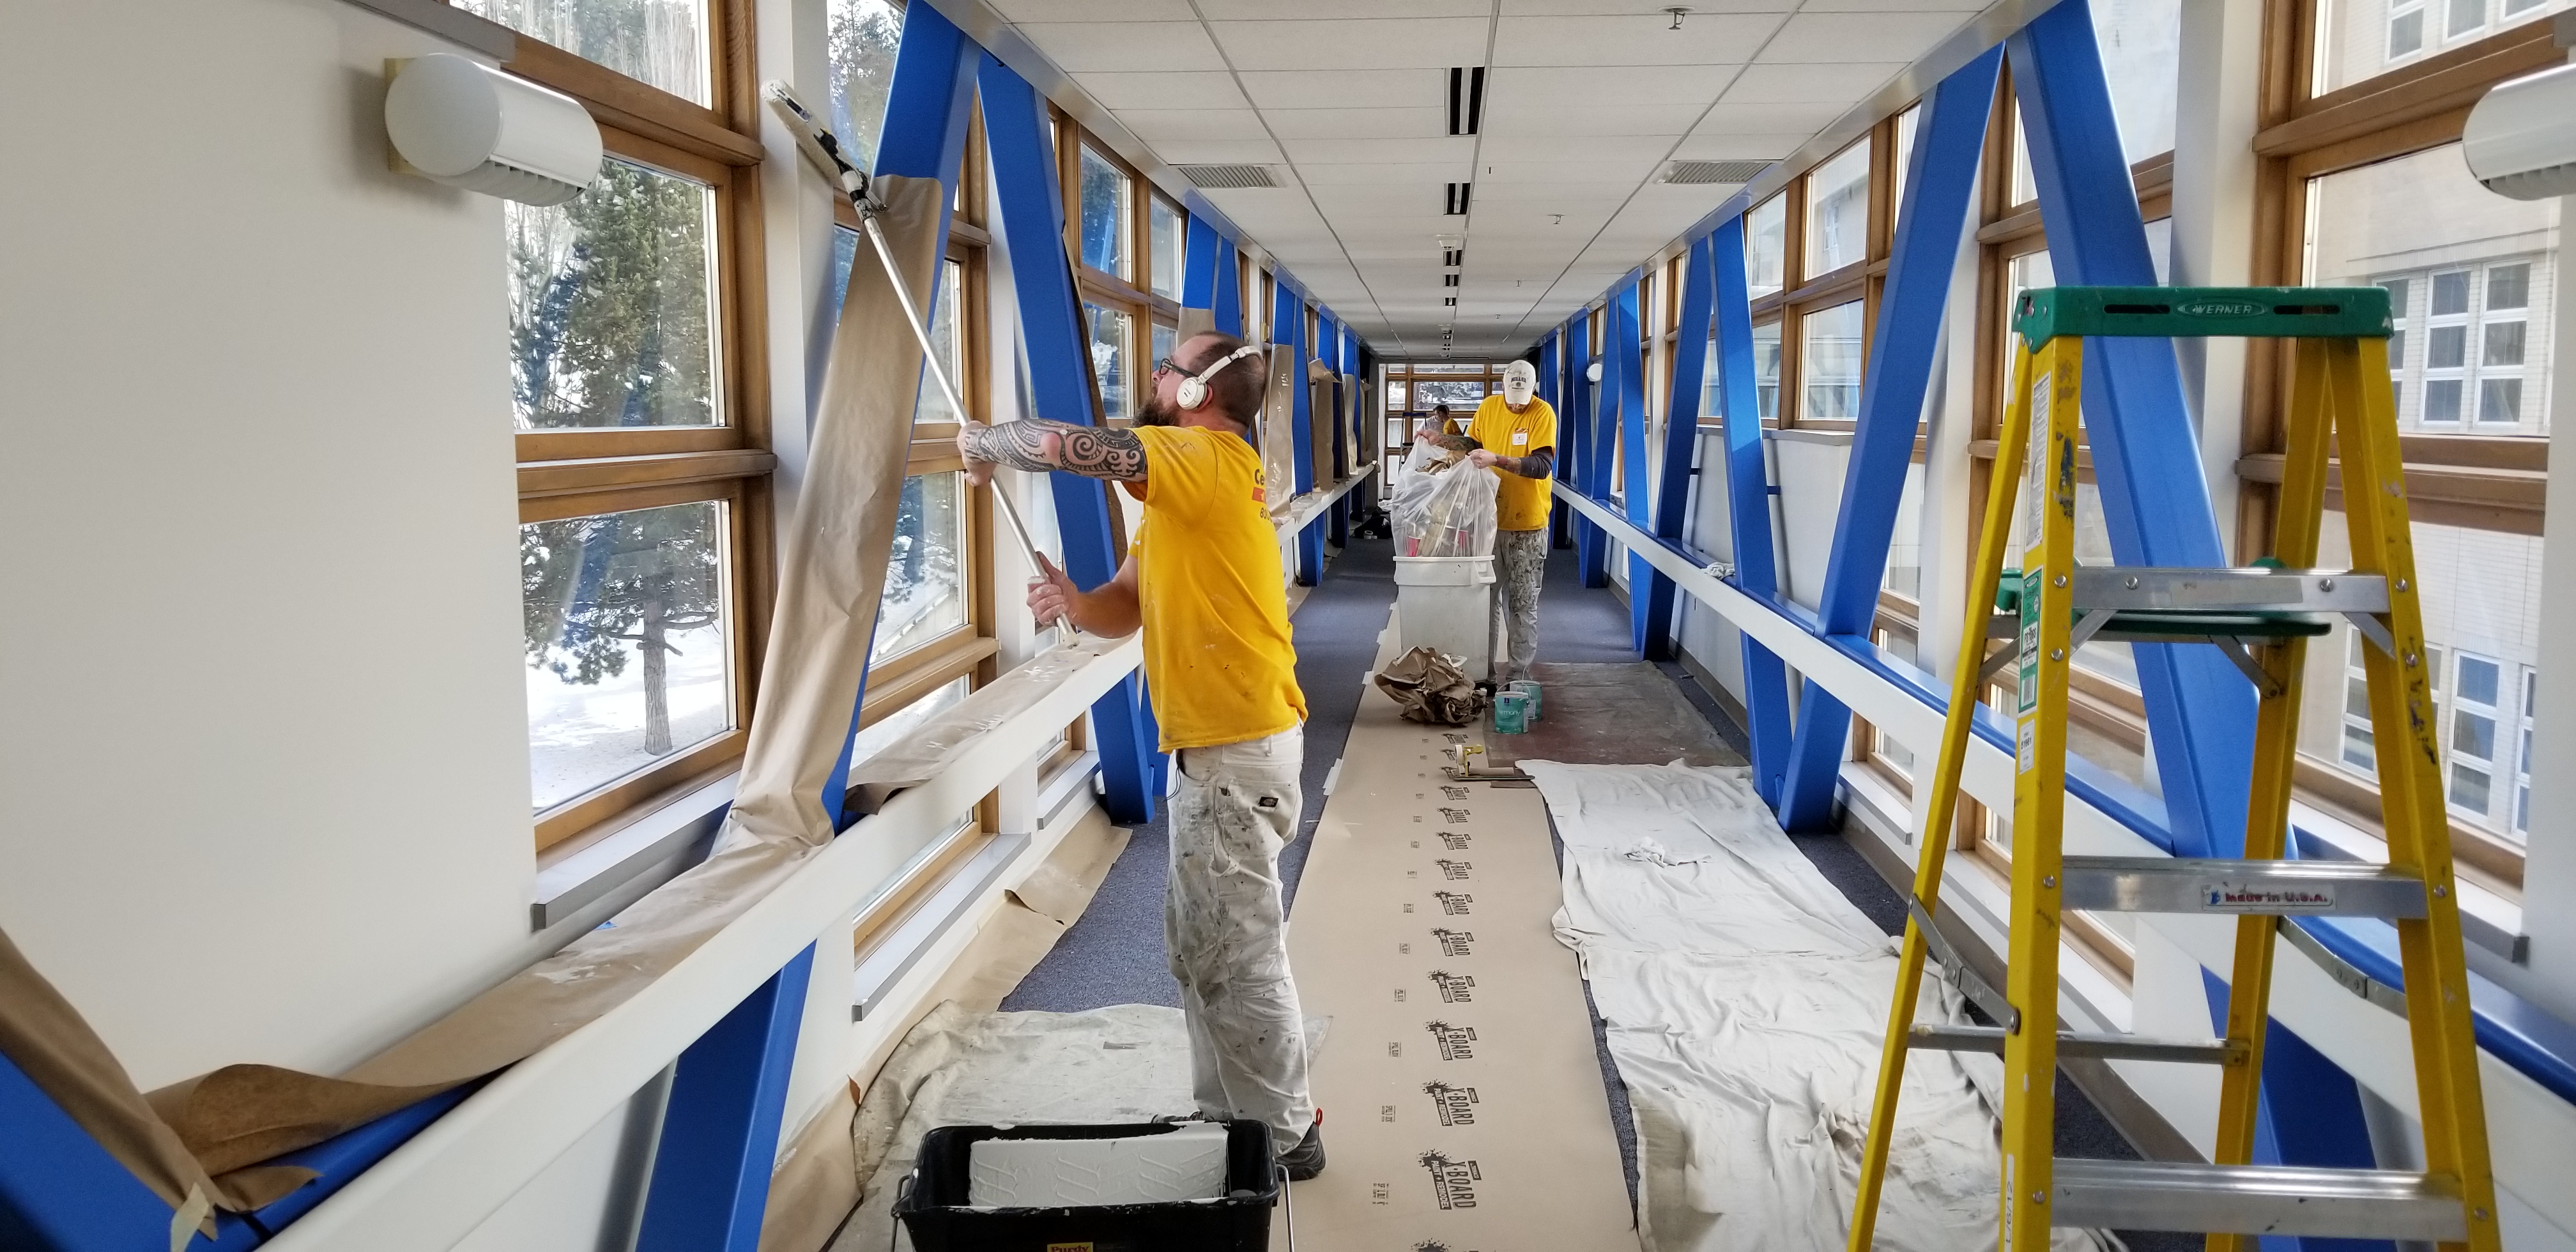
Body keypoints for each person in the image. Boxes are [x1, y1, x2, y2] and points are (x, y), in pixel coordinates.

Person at [955, 331, 1325, 1180]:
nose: (1154, 371)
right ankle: (1229, 1113)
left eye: (1169, 363)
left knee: (1236, 947)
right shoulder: (1180, 498)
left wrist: (983, 444)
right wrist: (1076, 603)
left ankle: (1283, 1131)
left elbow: (1060, 446)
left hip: (1235, 748)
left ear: (1196, 395)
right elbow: (1127, 606)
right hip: (1214, 747)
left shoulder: (1206, 459)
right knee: (1202, 944)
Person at [1462, 360, 1557, 683]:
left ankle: (1518, 674)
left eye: (1524, 396)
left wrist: (1498, 459)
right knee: (1483, 604)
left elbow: (1541, 465)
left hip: (1527, 526)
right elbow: (1470, 447)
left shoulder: (1542, 413)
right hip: (1488, 523)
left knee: (1522, 603)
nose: (1517, 403)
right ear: (1503, 386)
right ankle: (1482, 673)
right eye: (1512, 395)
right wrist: (1438, 439)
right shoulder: (1489, 408)